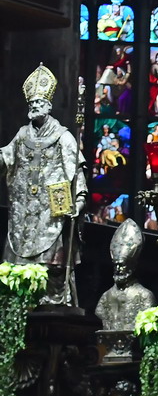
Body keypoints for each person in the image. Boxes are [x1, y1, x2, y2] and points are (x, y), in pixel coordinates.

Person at [0, 64, 88, 306]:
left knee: (53, 269)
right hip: (23, 216)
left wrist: (78, 202)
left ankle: (53, 303)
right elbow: (5, 158)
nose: (35, 105)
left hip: (53, 212)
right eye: (32, 103)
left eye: (40, 102)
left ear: (49, 106)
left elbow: (77, 172)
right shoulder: (21, 136)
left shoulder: (64, 137)